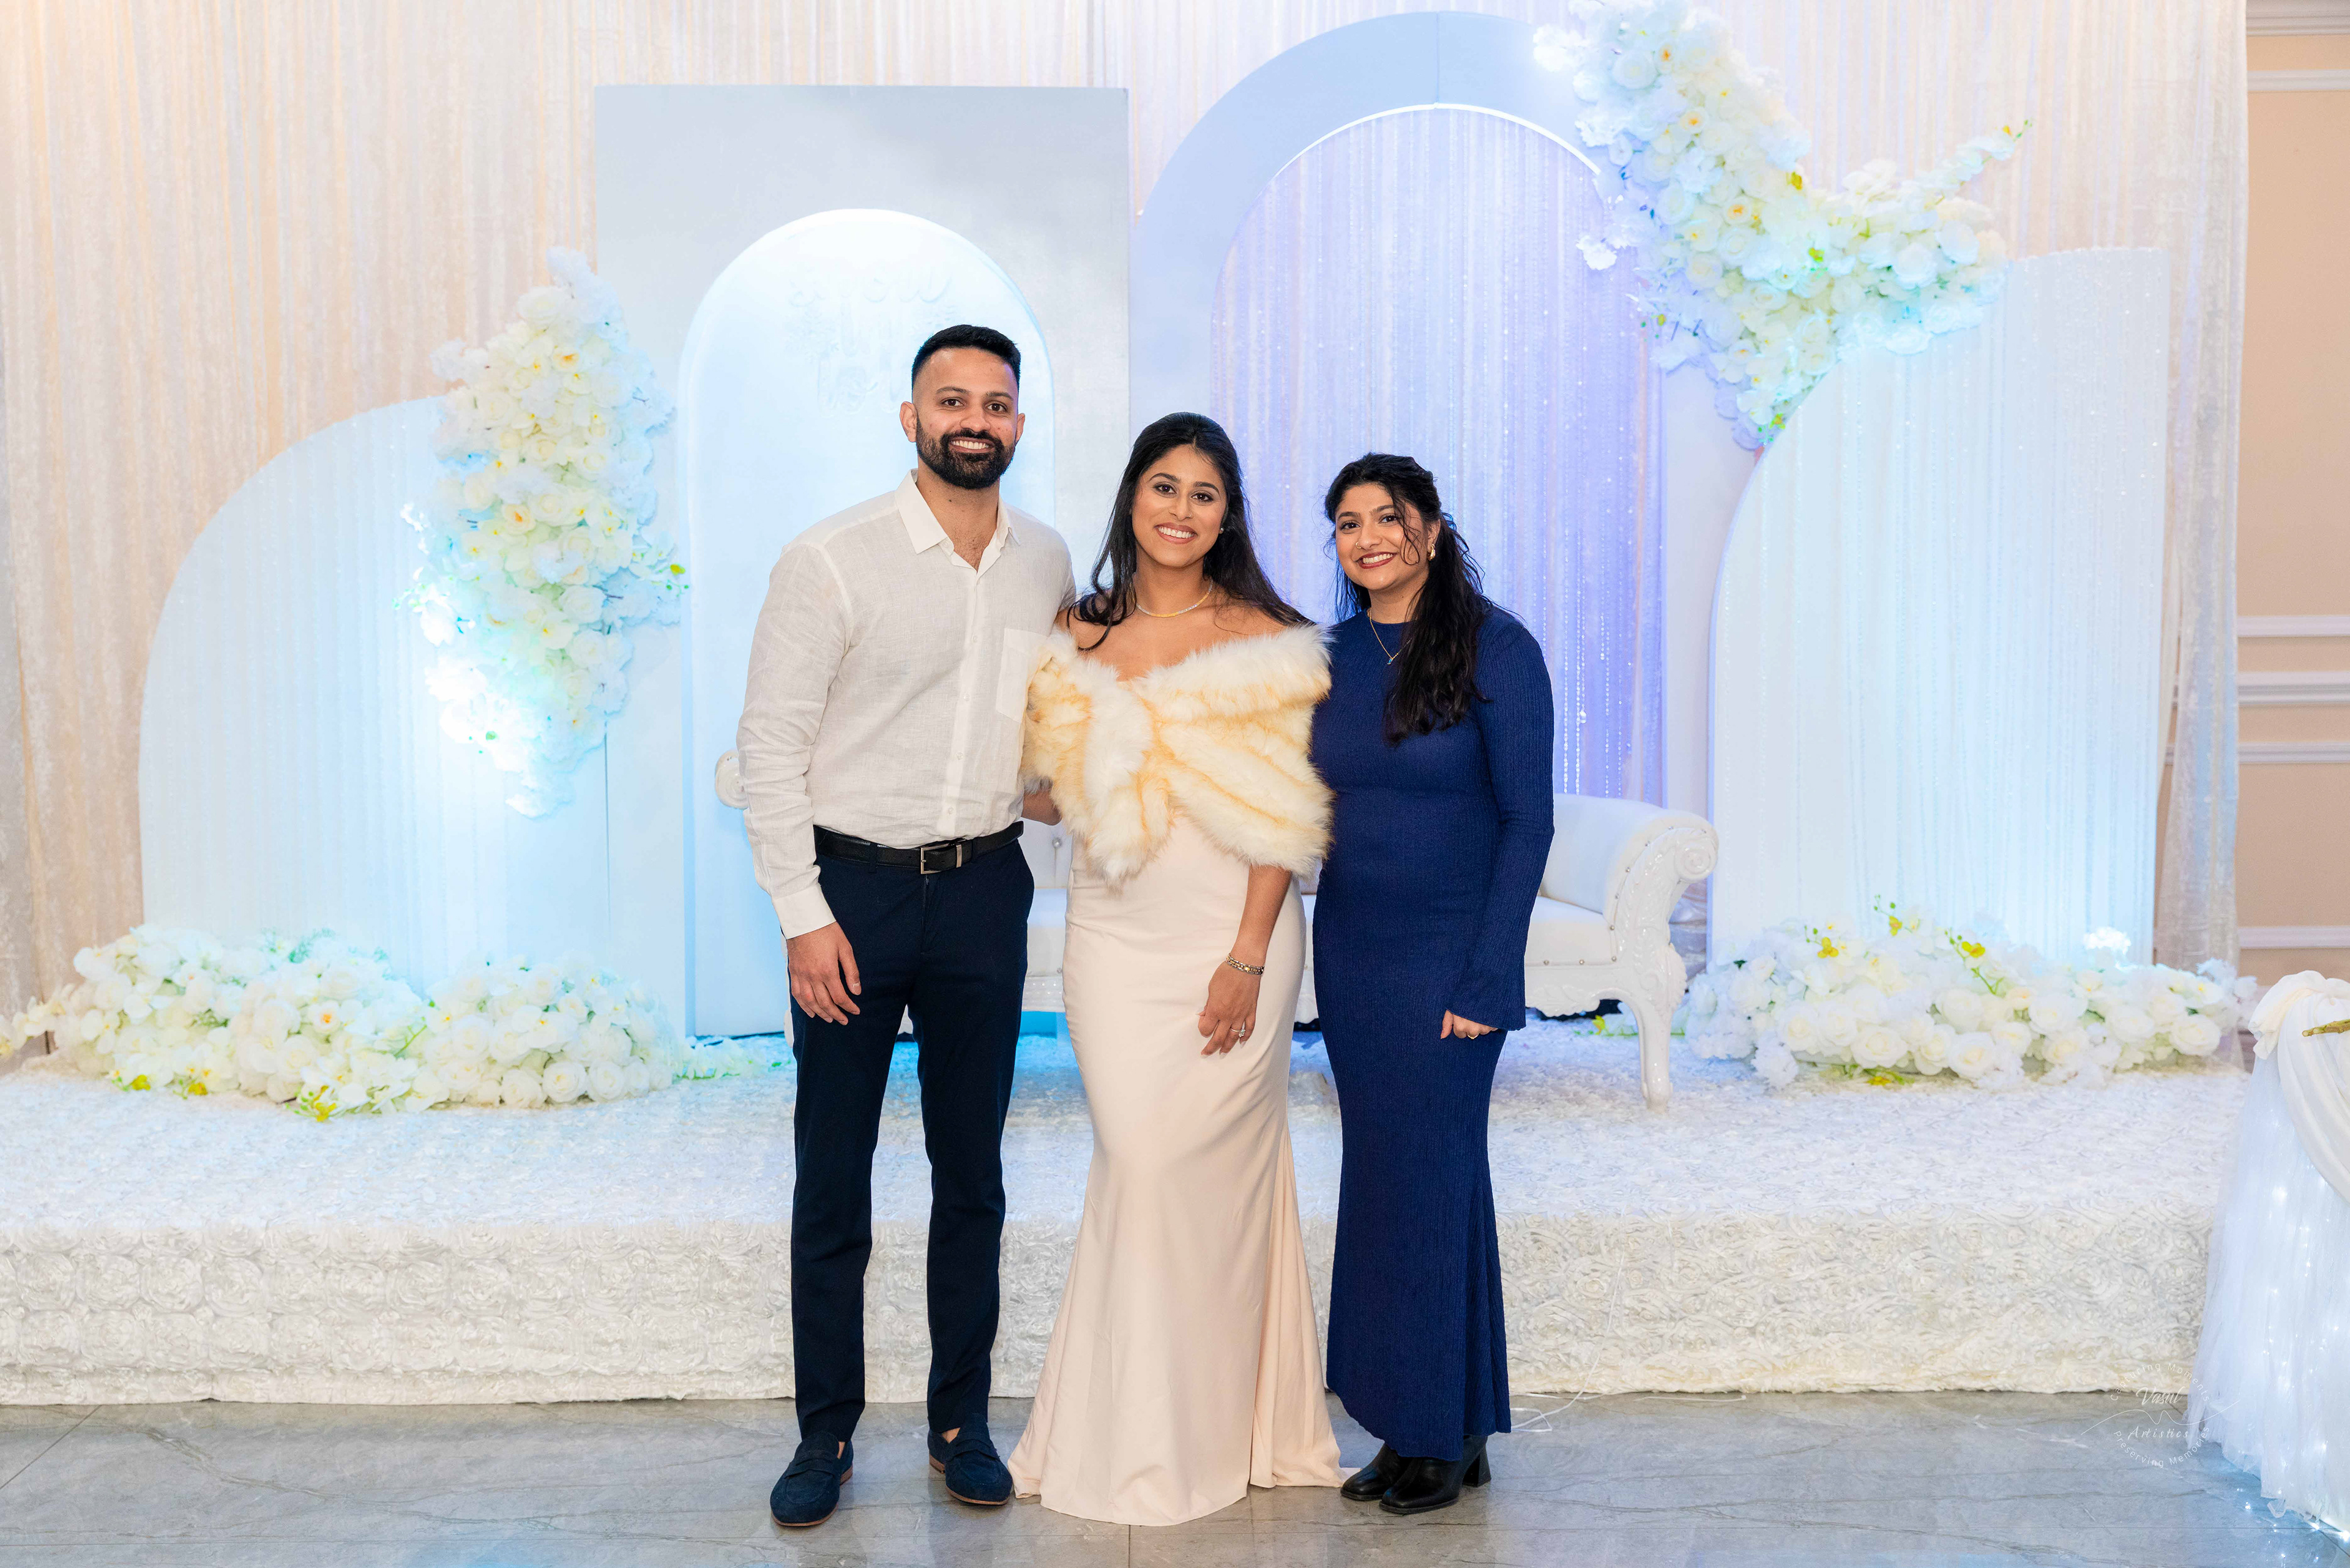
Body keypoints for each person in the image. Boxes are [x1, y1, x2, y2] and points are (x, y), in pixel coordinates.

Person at [736, 324, 1073, 1529]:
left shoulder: (1046, 561)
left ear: (1018, 423)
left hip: (985, 890)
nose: (974, 420)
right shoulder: (831, 559)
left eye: (996, 402)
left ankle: (960, 1424)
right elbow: (770, 746)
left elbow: (1045, 726)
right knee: (833, 1177)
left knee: (971, 1173)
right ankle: (823, 1433)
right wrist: (802, 914)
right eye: (951, 400)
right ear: (910, 417)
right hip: (853, 897)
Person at [1007, 412, 1346, 1525]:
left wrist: (1247, 957)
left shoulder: (1271, 637)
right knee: (1139, 1164)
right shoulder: (1077, 631)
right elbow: (1049, 792)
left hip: (1233, 934)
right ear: (1133, 497)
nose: (1181, 510)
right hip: (1116, 937)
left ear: (1228, 513)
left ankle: (1213, 1431)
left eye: (1205, 493)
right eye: (1165, 486)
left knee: (1203, 1177)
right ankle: (1130, 1428)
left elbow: (1285, 816)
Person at [1308, 453, 1554, 1516]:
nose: (1367, 538)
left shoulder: (1498, 646)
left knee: (1429, 1178)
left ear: (1434, 529)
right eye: (1347, 522)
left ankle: (1432, 1430)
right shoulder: (1328, 655)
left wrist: (1491, 975)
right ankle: (1440, 1421)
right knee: (1394, 1179)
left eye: (1388, 518)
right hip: (1354, 953)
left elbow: (1527, 820)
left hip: (1451, 958)